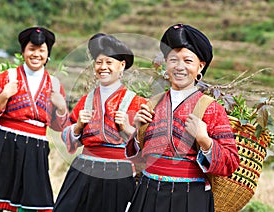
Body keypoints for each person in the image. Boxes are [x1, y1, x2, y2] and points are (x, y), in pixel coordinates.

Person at [125, 23, 240, 212]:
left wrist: (205, 141)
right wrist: (138, 130)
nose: (179, 67)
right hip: (147, 193)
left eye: (188, 61)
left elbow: (231, 163)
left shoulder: (211, 109)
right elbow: (137, 160)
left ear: (200, 66)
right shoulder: (151, 104)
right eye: (173, 60)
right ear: (166, 64)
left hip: (190, 199)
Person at [0, 27, 69, 212]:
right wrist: (3, 96)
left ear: (48, 54)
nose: (36, 54)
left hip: (35, 148)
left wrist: (62, 107)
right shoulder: (8, 77)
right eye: (31, 49)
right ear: (23, 51)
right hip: (5, 144)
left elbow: (60, 126)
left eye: (41, 50)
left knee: (31, 204)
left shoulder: (54, 85)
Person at [53, 33, 147, 212]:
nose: (103, 67)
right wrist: (78, 126)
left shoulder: (138, 103)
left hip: (119, 174)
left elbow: (149, 146)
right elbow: (67, 137)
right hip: (84, 169)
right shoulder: (85, 101)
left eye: (109, 62)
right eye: (98, 62)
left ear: (122, 65)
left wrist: (128, 130)